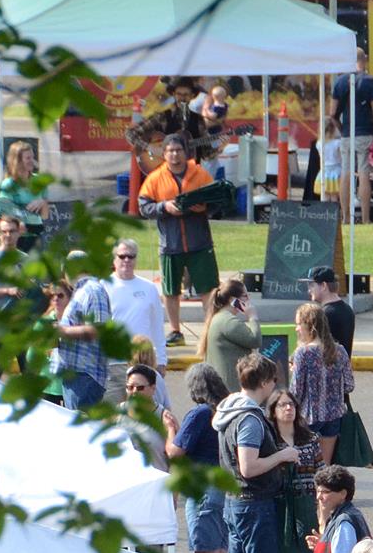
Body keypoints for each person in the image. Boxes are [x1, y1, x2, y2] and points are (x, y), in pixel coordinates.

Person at [212, 352, 301, 553]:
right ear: (264, 382)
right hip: (253, 504)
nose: (275, 385)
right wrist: (282, 455)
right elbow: (249, 467)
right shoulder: (249, 418)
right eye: (273, 380)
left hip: (235, 503)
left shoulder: (228, 410)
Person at [162, 364, 229, 553]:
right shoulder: (223, 411)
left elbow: (175, 451)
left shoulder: (200, 413)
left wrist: (170, 429)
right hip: (223, 488)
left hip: (201, 489)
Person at [136, 133, 217, 346]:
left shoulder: (200, 174)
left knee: (208, 289)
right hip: (170, 244)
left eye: (178, 150)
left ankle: (210, 332)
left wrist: (205, 207)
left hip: (200, 242)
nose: (174, 155)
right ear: (164, 154)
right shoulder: (154, 178)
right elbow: (143, 207)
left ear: (185, 152)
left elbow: (219, 201)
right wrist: (165, 207)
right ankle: (175, 331)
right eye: (170, 151)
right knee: (171, 290)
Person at [291, 301, 352, 468]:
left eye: (298, 324)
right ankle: (322, 492)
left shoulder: (302, 353)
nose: (296, 328)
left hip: (307, 417)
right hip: (333, 416)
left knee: (305, 465)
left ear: (309, 325)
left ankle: (309, 493)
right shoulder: (340, 351)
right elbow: (349, 385)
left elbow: (295, 391)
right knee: (324, 466)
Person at [103, 239, 167, 398]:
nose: (126, 260)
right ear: (114, 259)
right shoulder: (102, 286)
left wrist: (161, 360)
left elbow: (157, 326)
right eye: (122, 256)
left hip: (143, 362)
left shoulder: (149, 288)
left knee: (143, 415)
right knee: (112, 418)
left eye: (131, 257)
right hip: (113, 365)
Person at [267, 390, 322, 553]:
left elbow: (321, 472)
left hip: (306, 508)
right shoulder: (268, 441)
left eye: (291, 404)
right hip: (279, 508)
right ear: (274, 410)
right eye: (283, 405)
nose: (289, 408)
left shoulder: (310, 438)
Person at [51, 252, 112, 410]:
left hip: (84, 376)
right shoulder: (81, 292)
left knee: (81, 430)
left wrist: (63, 331)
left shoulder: (93, 290)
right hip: (75, 375)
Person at [329, 48, 373, 223]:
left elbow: (332, 113)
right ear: (365, 59)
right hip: (366, 134)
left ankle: (345, 218)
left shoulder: (339, 82)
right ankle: (366, 219)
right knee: (363, 174)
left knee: (345, 173)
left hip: (346, 136)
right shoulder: (370, 82)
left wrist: (342, 127)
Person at [308, 463, 370, 553]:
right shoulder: (345, 515)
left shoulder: (344, 524)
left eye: (325, 492)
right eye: (318, 491)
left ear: (343, 494)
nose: (319, 497)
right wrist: (321, 547)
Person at [199, 276, 260, 396]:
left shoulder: (220, 317)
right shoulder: (228, 321)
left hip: (221, 388)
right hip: (229, 390)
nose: (248, 300)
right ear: (233, 300)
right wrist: (252, 317)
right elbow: (255, 339)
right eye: (245, 296)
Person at [121, 365, 170, 471]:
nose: (134, 391)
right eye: (130, 387)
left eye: (140, 388)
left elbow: (176, 457)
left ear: (153, 389)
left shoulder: (165, 418)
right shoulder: (117, 414)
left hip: (155, 483)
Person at [306, 265, 356, 358]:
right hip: (343, 369)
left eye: (312, 285)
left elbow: (315, 349)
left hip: (325, 370)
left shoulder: (323, 315)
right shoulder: (348, 310)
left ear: (324, 286)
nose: (309, 290)